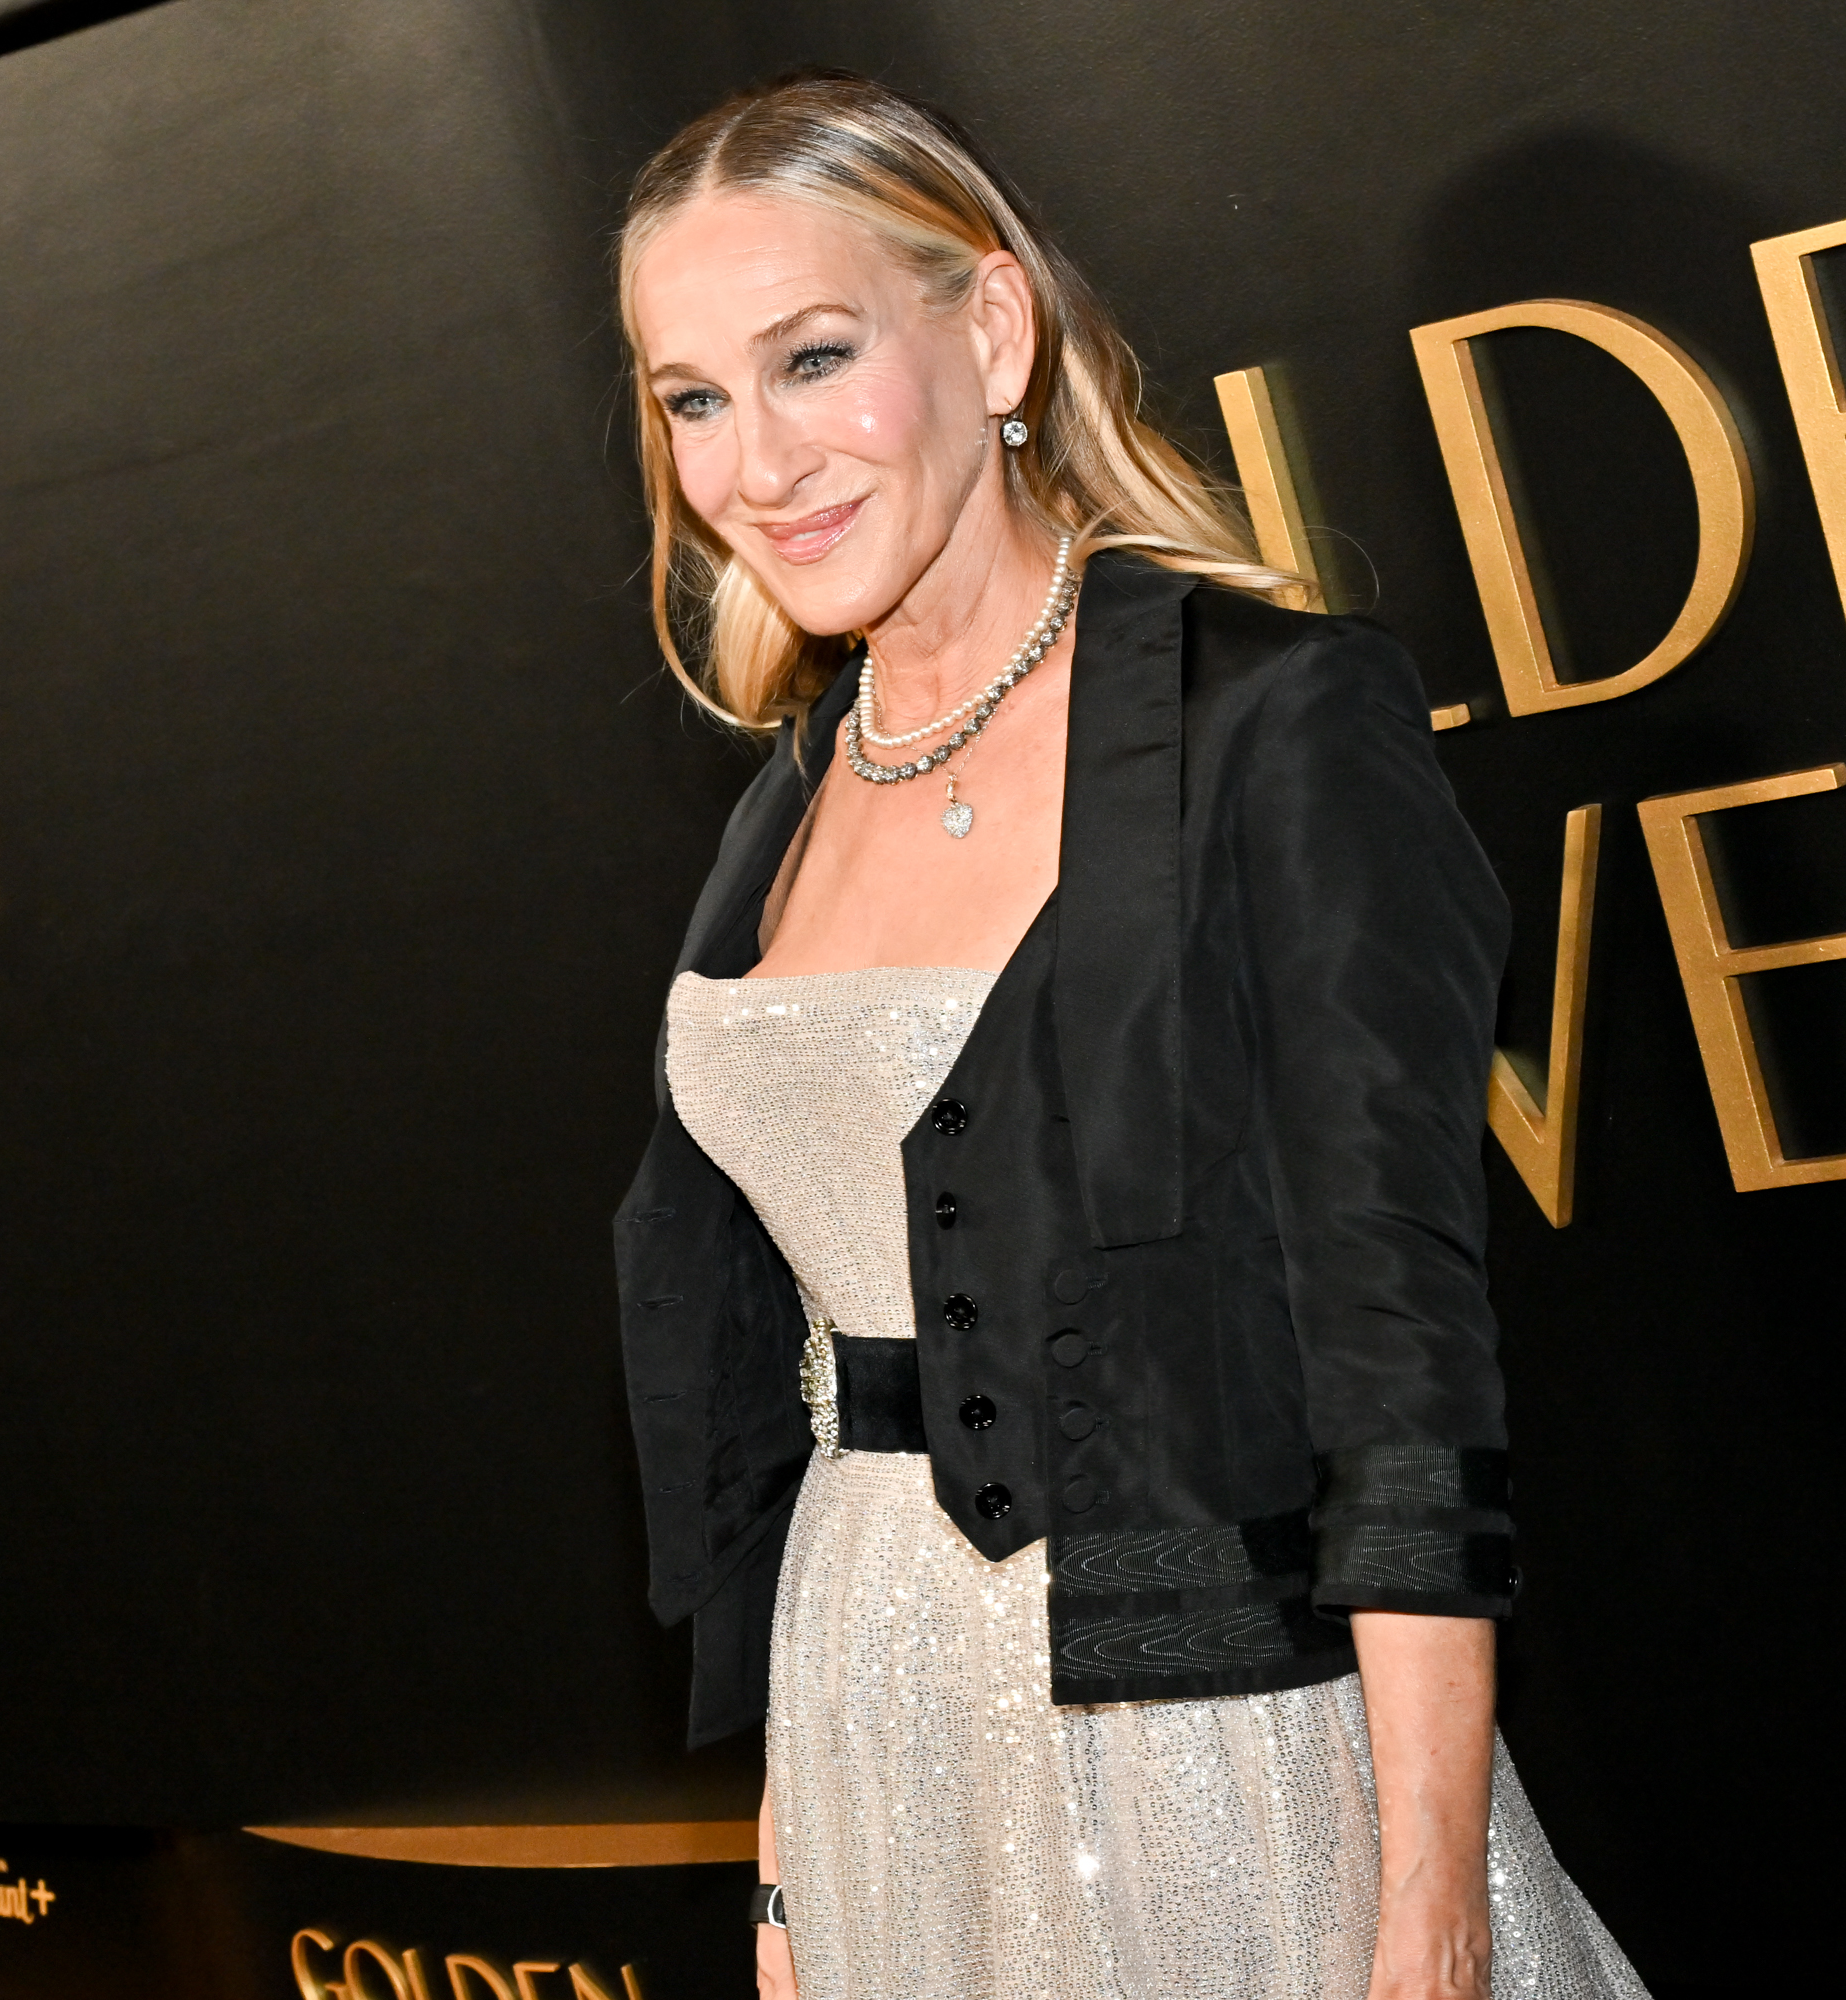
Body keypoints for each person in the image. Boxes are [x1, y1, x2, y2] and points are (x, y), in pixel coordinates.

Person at [608, 71, 1646, 2000]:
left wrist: (1427, 1903)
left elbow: (1392, 1351)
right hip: (870, 1716)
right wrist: (775, 1864)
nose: (757, 463)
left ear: (990, 331)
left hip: (1209, 1722)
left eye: (814, 359)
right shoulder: (790, 789)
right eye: (691, 400)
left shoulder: (1274, 724)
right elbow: (803, 1385)